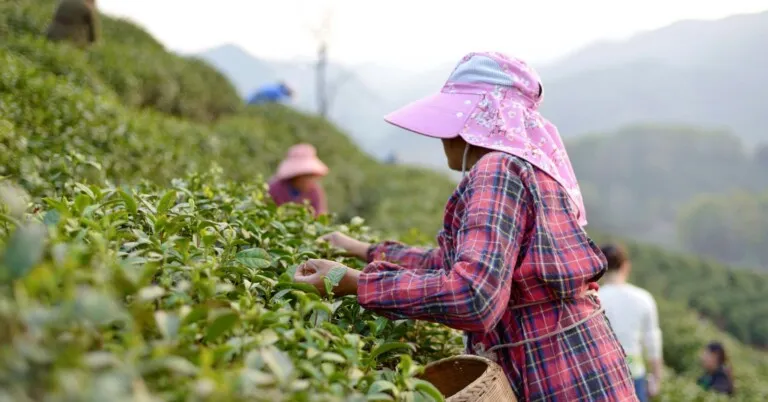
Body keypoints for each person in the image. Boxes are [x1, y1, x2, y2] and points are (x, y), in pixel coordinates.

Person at [293, 52, 637, 401]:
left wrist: (355, 283)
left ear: (481, 122)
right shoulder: (528, 168)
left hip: (558, 376)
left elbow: (474, 296)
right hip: (589, 366)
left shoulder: (496, 171)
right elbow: (456, 264)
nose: (444, 135)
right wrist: (363, 251)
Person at [598, 244, 663, 402]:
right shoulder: (643, 298)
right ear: (626, 266)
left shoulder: (594, 299)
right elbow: (652, 341)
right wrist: (656, 377)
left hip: (601, 376)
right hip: (634, 374)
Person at [268, 144, 328, 217]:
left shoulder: (315, 192)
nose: (310, 180)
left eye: (311, 175)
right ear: (297, 175)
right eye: (307, 175)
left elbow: (319, 216)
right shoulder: (276, 188)